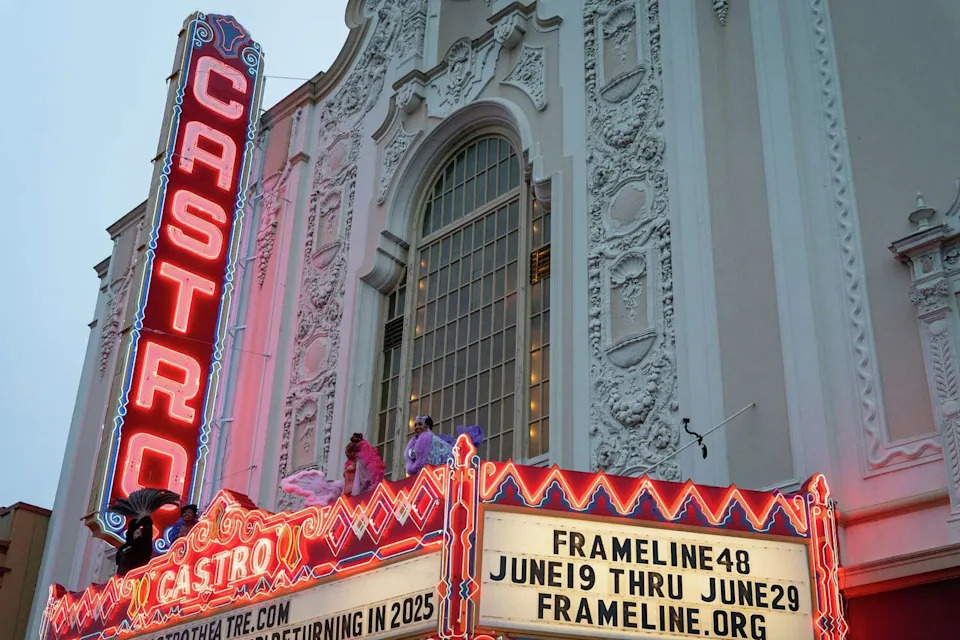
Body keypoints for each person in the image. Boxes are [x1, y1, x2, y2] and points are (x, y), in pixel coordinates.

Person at [280, 433, 386, 507]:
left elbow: (367, 479)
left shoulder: (359, 465)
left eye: (351, 452)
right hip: (346, 494)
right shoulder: (351, 465)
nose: (350, 455)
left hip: (353, 495)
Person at [404, 416, 484, 476]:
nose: (417, 427)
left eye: (420, 424)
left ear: (427, 426)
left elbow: (421, 461)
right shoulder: (415, 442)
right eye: (415, 425)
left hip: (442, 473)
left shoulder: (427, 438)